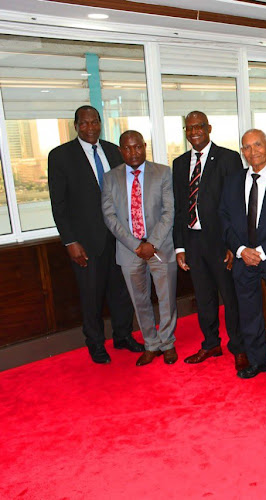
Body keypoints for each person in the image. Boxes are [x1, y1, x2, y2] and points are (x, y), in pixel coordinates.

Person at [48, 105, 141, 364]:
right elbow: (59, 204)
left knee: (122, 292)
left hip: (119, 239)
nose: (91, 127)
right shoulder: (60, 156)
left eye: (95, 122)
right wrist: (70, 241)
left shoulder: (114, 151)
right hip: (86, 242)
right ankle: (96, 343)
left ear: (100, 123)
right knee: (91, 296)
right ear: (76, 125)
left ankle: (123, 336)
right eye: (85, 123)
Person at [219, 129, 266, 384]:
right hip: (242, 257)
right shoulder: (232, 182)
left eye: (258, 145)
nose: (253, 152)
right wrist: (240, 250)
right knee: (248, 312)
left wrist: (261, 252)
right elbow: (224, 219)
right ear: (242, 152)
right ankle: (258, 360)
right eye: (247, 147)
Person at [172, 111, 245, 372]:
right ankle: (211, 343)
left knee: (230, 297)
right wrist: (179, 247)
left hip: (220, 242)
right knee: (203, 298)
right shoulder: (179, 163)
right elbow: (180, 208)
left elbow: (236, 206)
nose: (194, 131)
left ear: (209, 128)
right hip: (193, 241)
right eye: (189, 127)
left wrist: (231, 245)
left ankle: (239, 346)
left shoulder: (228, 159)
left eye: (199, 126)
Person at [101, 131, 178, 366]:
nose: (133, 152)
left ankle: (167, 343)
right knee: (140, 300)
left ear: (144, 147)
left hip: (160, 246)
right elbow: (109, 215)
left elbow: (169, 211)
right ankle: (151, 344)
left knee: (166, 298)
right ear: (120, 151)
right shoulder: (110, 178)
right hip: (129, 250)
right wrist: (136, 245)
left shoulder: (162, 172)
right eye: (127, 148)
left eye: (137, 147)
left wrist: (151, 243)